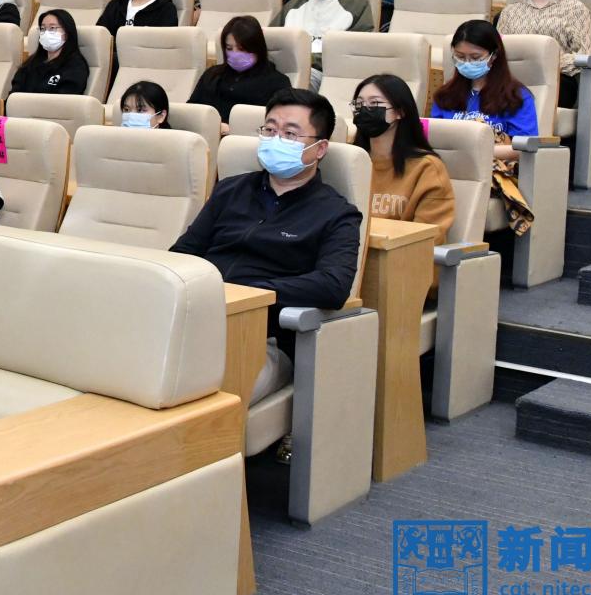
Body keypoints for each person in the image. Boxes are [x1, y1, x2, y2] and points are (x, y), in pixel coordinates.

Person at [171, 89, 363, 402]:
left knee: (192, 389)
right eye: (270, 130)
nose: (276, 140)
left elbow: (334, 285)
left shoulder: (336, 213)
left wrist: (251, 293)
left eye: (290, 134)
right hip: (197, 323)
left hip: (264, 338)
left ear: (319, 149)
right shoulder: (230, 190)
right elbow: (183, 254)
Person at [429, 20, 537, 235]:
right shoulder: (445, 96)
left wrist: (476, 151)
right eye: (460, 57)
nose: (467, 63)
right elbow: (435, 138)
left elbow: (522, 147)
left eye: (475, 57)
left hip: (490, 168)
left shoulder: (516, 97)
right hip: (450, 168)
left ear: (494, 56)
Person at [350, 74, 455, 236]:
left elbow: (428, 237)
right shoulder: (351, 161)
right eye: (359, 104)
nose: (364, 110)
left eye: (375, 103)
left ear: (400, 111)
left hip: (402, 250)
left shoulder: (427, 168)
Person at [496, 0, 591, 108]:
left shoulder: (575, 9)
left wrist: (542, 63)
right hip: (513, 79)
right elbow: (498, 52)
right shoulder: (509, 12)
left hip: (557, 79)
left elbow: (583, 56)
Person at [187, 16, 289, 129]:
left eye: (241, 49)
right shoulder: (212, 75)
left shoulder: (277, 82)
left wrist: (232, 130)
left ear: (257, 48)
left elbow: (278, 125)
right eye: (229, 48)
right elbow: (192, 111)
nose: (235, 54)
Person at [9, 9, 90, 96]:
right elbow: (14, 94)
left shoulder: (75, 65)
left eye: (52, 28)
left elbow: (66, 99)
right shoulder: (31, 63)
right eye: (43, 29)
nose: (46, 33)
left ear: (66, 33)